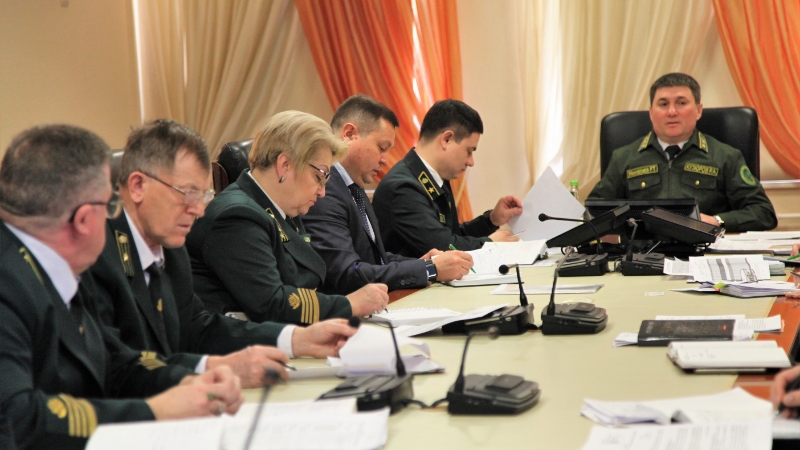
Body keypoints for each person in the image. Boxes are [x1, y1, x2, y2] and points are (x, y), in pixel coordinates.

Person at [0, 124, 243, 449]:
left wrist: (189, 382)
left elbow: (113, 360)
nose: (113, 218)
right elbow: (16, 418)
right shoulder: (9, 283)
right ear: (84, 220)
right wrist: (153, 412)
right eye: (109, 205)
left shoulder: (54, 265)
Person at [88, 120, 358, 388]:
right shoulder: (96, 256)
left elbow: (197, 328)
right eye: (188, 193)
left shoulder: (170, 248)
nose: (199, 210)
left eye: (202, 195)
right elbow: (115, 367)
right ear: (138, 186)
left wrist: (296, 339)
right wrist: (208, 371)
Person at [186, 111, 389, 324]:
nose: (322, 192)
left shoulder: (282, 208)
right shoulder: (237, 216)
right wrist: (349, 304)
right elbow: (272, 303)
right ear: (285, 165)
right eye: (319, 177)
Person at [303, 95, 474, 295]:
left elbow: (376, 258)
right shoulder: (325, 192)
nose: (385, 160)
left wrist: (422, 264)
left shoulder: (354, 187)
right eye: (381, 148)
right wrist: (429, 269)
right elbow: (346, 274)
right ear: (349, 134)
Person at [588, 72, 777, 232]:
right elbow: (593, 211)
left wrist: (716, 221)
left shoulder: (725, 156)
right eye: (663, 104)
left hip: (704, 252)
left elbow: (763, 213)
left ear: (698, 110)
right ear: (651, 113)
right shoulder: (624, 157)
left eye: (681, 103)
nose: (672, 112)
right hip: (641, 253)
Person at [372, 99, 523, 258]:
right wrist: (490, 244)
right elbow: (444, 247)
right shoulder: (403, 187)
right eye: (469, 151)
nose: (470, 162)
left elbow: (452, 235)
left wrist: (491, 220)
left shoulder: (432, 178)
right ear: (446, 139)